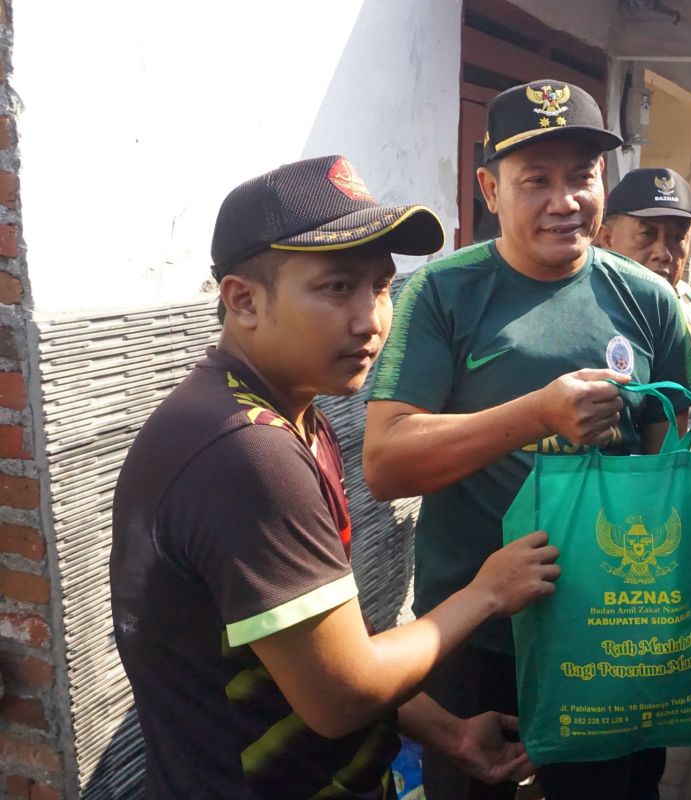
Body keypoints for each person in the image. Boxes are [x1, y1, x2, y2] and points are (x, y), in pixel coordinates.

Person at [110, 156, 562, 799]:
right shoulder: (246, 452)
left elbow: (322, 642)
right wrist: (487, 591)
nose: (371, 320)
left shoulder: (288, 413)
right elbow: (341, 695)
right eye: (335, 287)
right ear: (243, 300)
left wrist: (449, 732)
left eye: (380, 286)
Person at [362, 81, 691, 800]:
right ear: (490, 188)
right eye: (535, 181)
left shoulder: (647, 299)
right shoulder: (442, 294)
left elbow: (669, 437)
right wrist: (536, 415)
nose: (564, 201)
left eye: (581, 177)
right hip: (473, 630)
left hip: (610, 633)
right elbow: (387, 462)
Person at [596, 166, 691, 468]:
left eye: (677, 237)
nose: (663, 252)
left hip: (688, 504)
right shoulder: (585, 316)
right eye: (646, 234)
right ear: (607, 238)